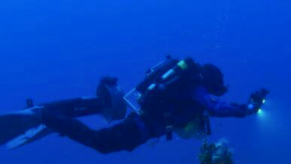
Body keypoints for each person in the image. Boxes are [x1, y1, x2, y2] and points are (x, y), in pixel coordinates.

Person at [38, 57, 269, 154]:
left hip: (142, 122)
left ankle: (67, 115)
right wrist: (246, 109)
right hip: (141, 127)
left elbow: (208, 109)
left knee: (103, 140)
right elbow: (217, 107)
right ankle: (48, 116)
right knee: (100, 143)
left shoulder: (189, 87)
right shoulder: (195, 87)